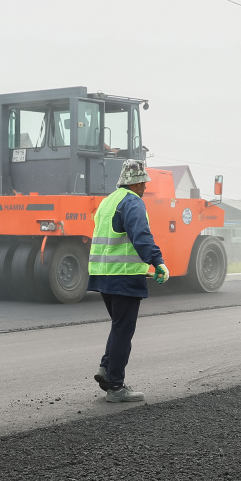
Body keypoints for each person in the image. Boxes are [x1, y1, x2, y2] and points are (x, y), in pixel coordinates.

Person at [88, 159, 168, 403]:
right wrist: (157, 261)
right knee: (124, 330)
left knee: (118, 325)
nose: (145, 187)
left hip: (103, 274)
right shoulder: (132, 202)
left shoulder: (107, 202)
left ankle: (105, 369)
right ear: (139, 182)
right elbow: (140, 235)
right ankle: (116, 386)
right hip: (122, 276)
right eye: (144, 182)